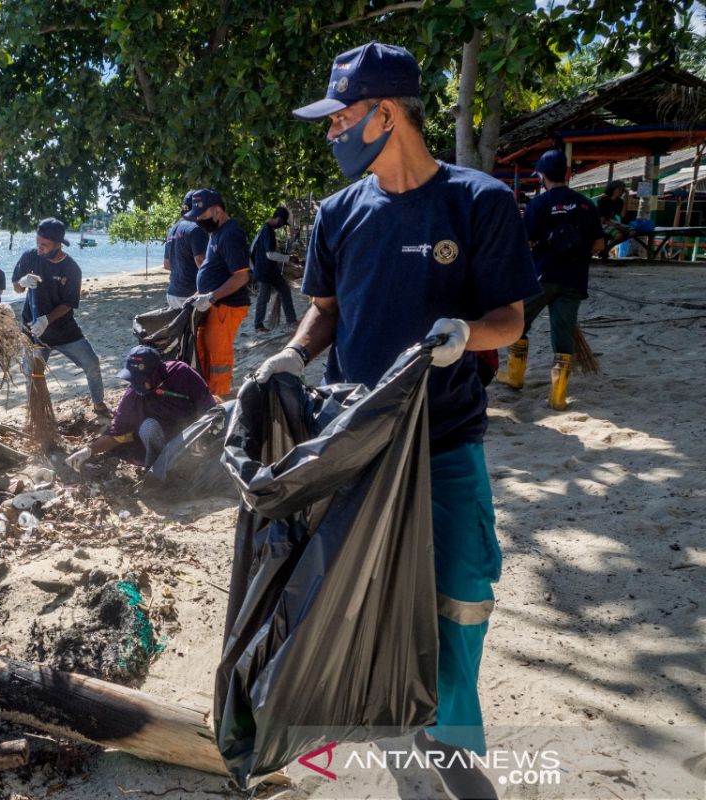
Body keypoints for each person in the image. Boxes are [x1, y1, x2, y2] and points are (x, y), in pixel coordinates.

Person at [256, 42, 540, 800]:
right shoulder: (340, 215)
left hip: (446, 442)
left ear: (386, 113)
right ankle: (374, 723)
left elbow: (510, 318)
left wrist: (465, 338)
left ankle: (449, 740)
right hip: (357, 445)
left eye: (341, 117)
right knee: (353, 594)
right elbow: (325, 314)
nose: (332, 134)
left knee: (462, 594)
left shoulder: (477, 201)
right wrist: (289, 355)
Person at [498, 149, 605, 410]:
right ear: (567, 174)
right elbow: (599, 244)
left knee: (518, 323)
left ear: (543, 176)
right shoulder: (586, 204)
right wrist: (577, 257)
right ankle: (557, 396)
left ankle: (514, 377)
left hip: (542, 276)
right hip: (575, 279)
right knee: (563, 333)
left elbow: (525, 242)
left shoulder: (539, 204)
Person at [12, 217, 110, 417]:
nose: (39, 248)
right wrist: (22, 282)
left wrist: (46, 320)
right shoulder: (30, 257)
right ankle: (35, 414)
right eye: (37, 242)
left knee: (92, 364)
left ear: (58, 245)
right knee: (32, 376)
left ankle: (99, 403)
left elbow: (68, 304)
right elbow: (15, 287)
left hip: (64, 331)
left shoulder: (71, 269)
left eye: (45, 245)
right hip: (33, 331)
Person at [65, 345, 215, 472]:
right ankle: (160, 468)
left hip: (192, 432)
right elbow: (118, 432)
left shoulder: (181, 373)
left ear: (155, 373)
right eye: (132, 379)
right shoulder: (134, 395)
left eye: (140, 380)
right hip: (163, 440)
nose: (135, 384)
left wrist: (207, 436)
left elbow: (208, 406)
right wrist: (88, 451)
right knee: (147, 427)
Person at [182, 188, 251, 398]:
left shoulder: (231, 233)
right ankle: (211, 397)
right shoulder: (216, 232)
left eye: (202, 216)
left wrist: (211, 297)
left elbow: (241, 276)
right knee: (204, 352)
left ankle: (221, 401)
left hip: (225, 307)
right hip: (213, 305)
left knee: (218, 358)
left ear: (217, 210)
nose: (199, 221)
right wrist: (198, 294)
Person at [251, 205, 300, 333]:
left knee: (285, 291)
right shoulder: (267, 230)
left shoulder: (265, 229)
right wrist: (288, 258)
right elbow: (270, 254)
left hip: (271, 271)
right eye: (283, 223)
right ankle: (258, 325)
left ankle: (291, 320)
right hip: (265, 271)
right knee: (264, 297)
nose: (282, 225)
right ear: (278, 219)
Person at [162, 191, 208, 308]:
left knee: (181, 327)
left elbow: (167, 264)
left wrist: (183, 268)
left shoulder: (173, 229)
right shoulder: (196, 229)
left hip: (172, 294)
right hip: (190, 294)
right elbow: (200, 260)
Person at [597, 179, 633, 254]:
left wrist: (626, 197)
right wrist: (617, 226)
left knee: (632, 231)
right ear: (613, 188)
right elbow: (602, 219)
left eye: (622, 189)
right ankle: (605, 251)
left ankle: (606, 249)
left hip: (611, 221)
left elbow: (622, 215)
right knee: (619, 235)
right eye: (619, 188)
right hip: (601, 222)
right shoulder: (603, 199)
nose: (621, 190)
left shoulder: (619, 201)